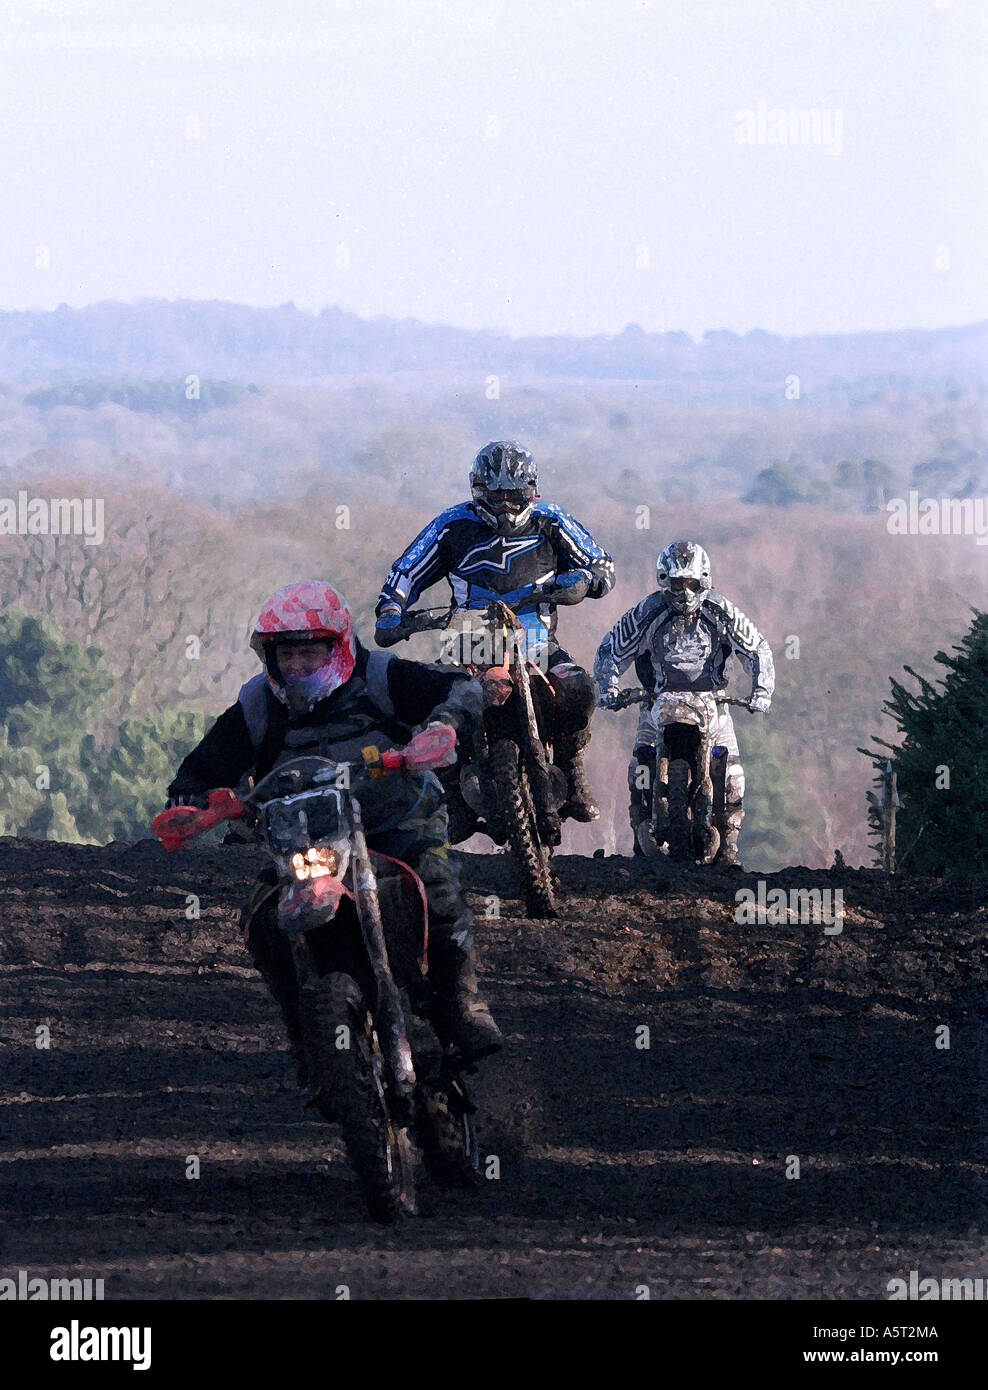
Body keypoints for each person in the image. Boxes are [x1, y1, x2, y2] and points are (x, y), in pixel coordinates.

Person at [166, 580, 503, 1065]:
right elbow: (203, 767)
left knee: (438, 887)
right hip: (308, 838)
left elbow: (462, 686)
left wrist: (442, 725)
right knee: (262, 917)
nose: (296, 666)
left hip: (397, 819)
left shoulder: (382, 677)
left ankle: (461, 1003)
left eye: (308, 653)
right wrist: (192, 802)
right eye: (285, 655)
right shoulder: (259, 706)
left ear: (338, 646)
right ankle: (309, 1040)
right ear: (270, 656)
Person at [374, 440, 615, 822]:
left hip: (536, 638)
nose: (505, 505)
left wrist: (586, 579)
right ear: (478, 490)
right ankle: (451, 791)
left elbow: (601, 563)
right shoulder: (451, 525)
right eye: (496, 495)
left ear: (531, 491)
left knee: (580, 688)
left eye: (514, 495)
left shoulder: (553, 521)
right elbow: (405, 572)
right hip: (466, 639)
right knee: (429, 705)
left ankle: (570, 767)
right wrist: (392, 609)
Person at [594, 540, 774, 866]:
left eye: (693, 584)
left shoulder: (721, 610)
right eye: (678, 584)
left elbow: (756, 647)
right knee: (641, 766)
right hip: (657, 703)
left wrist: (761, 690)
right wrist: (609, 687)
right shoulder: (648, 611)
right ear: (664, 580)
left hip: (713, 703)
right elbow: (613, 647)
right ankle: (641, 838)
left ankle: (729, 848)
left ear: (705, 579)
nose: (686, 592)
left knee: (732, 772)